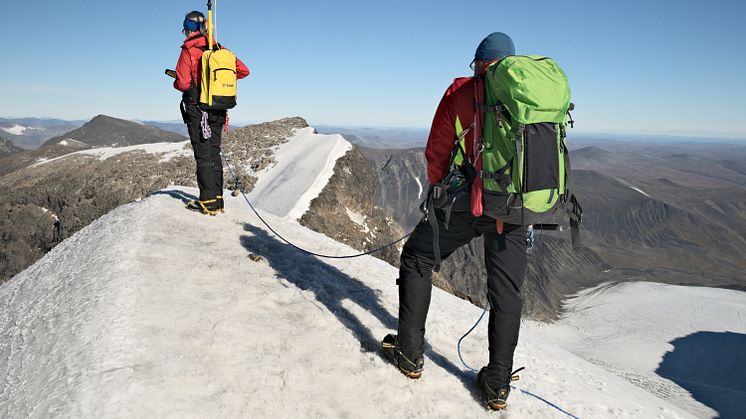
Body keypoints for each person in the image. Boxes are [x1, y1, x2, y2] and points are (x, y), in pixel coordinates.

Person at [381, 32, 526, 411]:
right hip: (512, 211)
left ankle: (410, 354)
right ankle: (497, 385)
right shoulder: (527, 97)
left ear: (479, 63)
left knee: (417, 258)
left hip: (465, 204)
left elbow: (439, 147)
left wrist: (437, 186)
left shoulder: (462, 94)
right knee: (506, 294)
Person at [173, 10, 250, 215]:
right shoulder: (218, 48)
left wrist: (181, 83)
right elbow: (243, 71)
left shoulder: (188, 50)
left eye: (187, 28)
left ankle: (207, 203)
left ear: (192, 29)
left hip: (198, 108)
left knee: (203, 155)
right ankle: (217, 200)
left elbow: (182, 82)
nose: (186, 33)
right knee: (214, 153)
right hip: (219, 108)